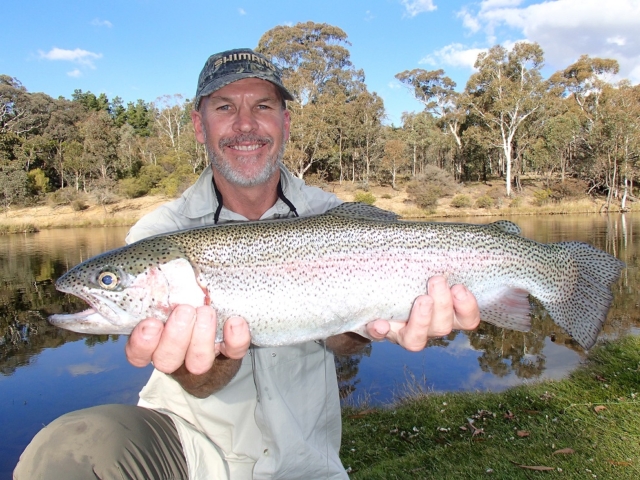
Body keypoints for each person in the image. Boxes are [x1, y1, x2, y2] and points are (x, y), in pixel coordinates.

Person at [15, 48, 481, 480]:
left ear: (286, 122)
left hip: (307, 461)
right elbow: (198, 385)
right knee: (67, 451)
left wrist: (370, 322)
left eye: (262, 106)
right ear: (199, 126)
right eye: (224, 107)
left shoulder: (329, 216)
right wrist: (210, 357)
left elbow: (345, 340)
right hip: (191, 452)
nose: (245, 124)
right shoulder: (161, 232)